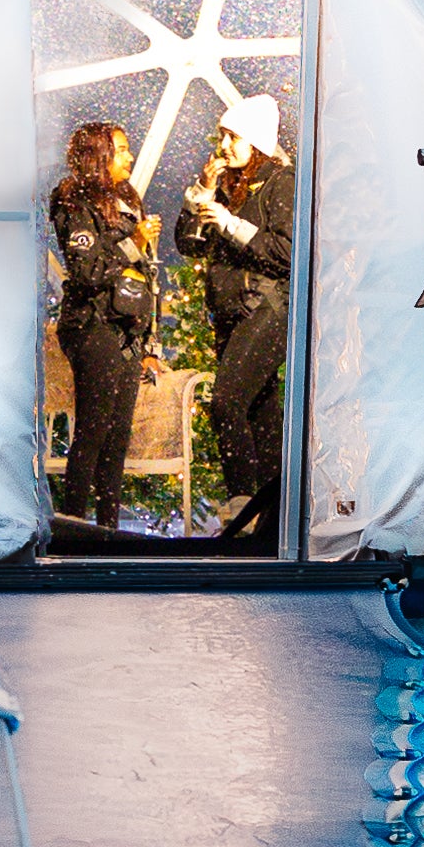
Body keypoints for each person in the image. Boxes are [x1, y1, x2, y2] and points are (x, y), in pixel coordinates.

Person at [180, 92, 296, 547]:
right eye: (222, 135)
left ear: (257, 144)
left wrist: (229, 222)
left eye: (233, 137)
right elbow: (189, 245)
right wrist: (202, 197)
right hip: (232, 315)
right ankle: (273, 520)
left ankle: (242, 507)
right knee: (263, 416)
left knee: (225, 401)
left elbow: (287, 252)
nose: (223, 145)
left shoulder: (279, 184)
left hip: (267, 308)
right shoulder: (229, 187)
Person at [45, 119, 156, 530]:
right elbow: (88, 270)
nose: (129, 156)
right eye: (122, 148)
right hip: (92, 325)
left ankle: (108, 527)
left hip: (127, 328)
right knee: (94, 426)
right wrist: (135, 242)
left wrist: (149, 343)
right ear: (100, 155)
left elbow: (145, 274)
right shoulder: (74, 201)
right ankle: (74, 525)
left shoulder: (127, 198)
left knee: (118, 432)